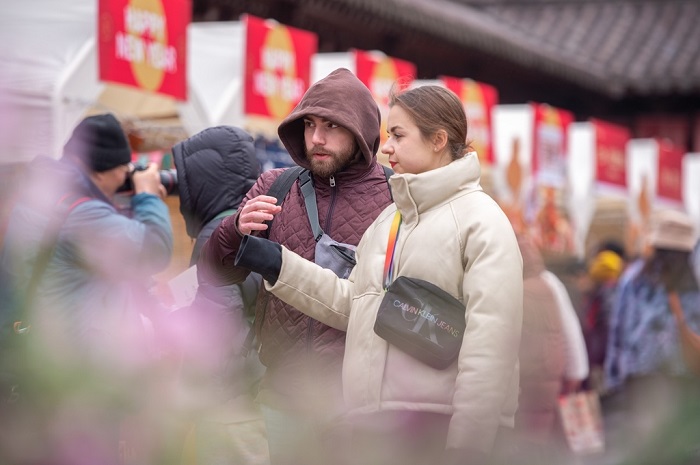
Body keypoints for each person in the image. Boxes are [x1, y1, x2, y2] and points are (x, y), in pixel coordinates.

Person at [234, 84, 523, 465]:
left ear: (439, 140)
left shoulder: (482, 222)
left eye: (398, 136)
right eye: (388, 135)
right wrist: (279, 264)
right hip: (376, 431)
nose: (386, 148)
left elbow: (492, 346)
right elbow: (356, 304)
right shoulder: (392, 220)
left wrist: (468, 446)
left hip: (439, 434)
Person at [197, 68, 393, 465]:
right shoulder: (275, 186)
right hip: (281, 393)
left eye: (332, 126)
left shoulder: (395, 198)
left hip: (357, 402)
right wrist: (234, 230)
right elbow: (212, 274)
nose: (316, 138)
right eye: (309, 124)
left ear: (360, 131)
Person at [0, 113, 173, 465]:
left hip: (38, 366)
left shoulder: (41, 200)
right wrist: (146, 196)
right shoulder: (80, 213)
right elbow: (155, 248)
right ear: (101, 168)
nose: (127, 174)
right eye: (124, 167)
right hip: (73, 385)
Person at [170, 125, 269, 465]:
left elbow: (218, 329)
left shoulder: (217, 235)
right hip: (254, 390)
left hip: (228, 404)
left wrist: (187, 402)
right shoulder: (251, 223)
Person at [604, 209, 700, 462]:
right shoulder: (694, 285)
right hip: (686, 385)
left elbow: (618, 333)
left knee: (645, 450)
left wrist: (614, 380)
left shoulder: (633, 279)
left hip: (641, 382)